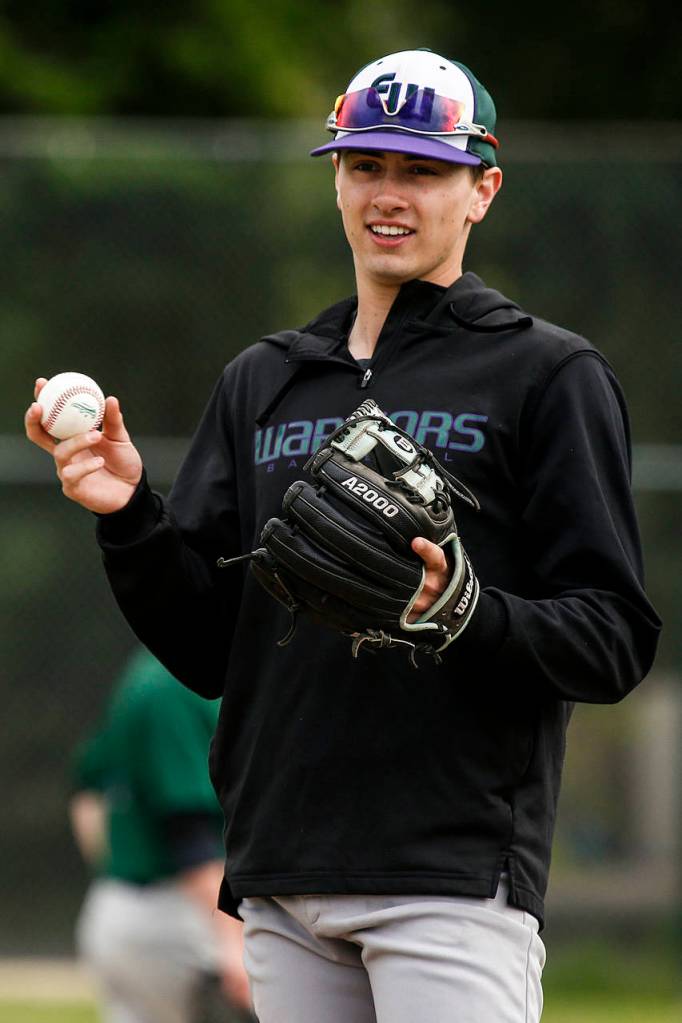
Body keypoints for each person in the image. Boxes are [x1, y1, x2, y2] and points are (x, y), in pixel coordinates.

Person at [26, 47, 661, 1022]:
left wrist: (469, 615)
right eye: (366, 165)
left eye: (422, 169)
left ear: (480, 188)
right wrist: (132, 518)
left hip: (447, 871)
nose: (388, 193)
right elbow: (208, 647)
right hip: (281, 867)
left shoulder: (544, 375)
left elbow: (614, 639)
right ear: (336, 178)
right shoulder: (265, 380)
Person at [67, 645, 256, 1023]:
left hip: (124, 903)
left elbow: (87, 794)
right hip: (179, 910)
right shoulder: (179, 683)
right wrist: (232, 941)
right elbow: (187, 834)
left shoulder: (147, 668)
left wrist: (119, 862)